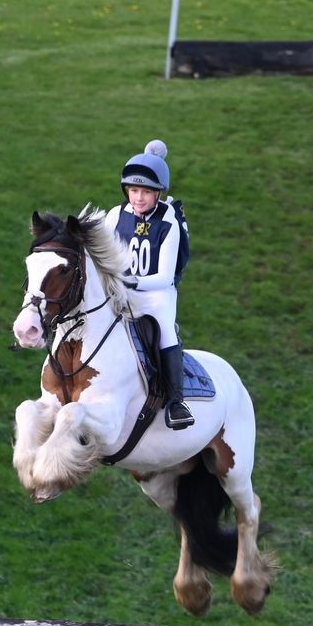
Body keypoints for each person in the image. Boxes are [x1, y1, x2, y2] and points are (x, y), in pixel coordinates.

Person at [103, 139, 194, 430]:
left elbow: (164, 276)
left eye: (145, 192)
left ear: (158, 193)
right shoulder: (115, 215)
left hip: (157, 294)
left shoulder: (170, 220)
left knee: (165, 330)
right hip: (120, 289)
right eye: (133, 190)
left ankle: (176, 402)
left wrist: (126, 282)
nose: (138, 198)